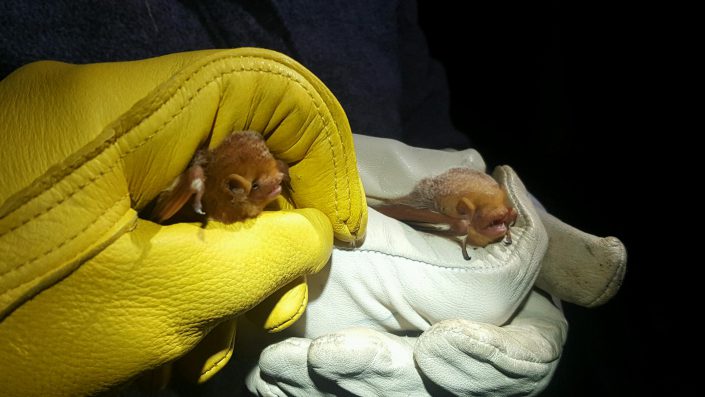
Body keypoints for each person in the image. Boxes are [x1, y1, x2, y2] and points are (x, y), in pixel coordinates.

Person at [0, 2, 625, 396]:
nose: (267, 184)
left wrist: (492, 224)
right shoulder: (204, 185)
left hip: (376, 202)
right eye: (255, 184)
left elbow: (432, 124)